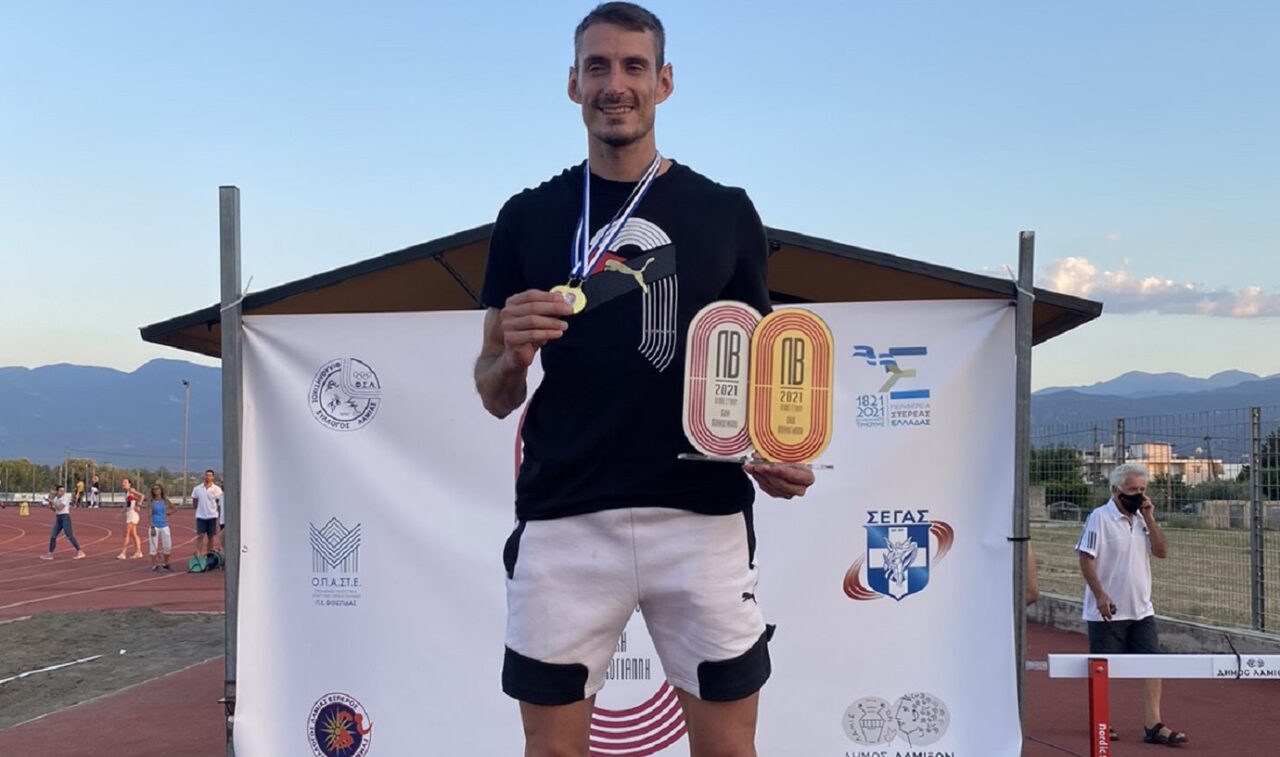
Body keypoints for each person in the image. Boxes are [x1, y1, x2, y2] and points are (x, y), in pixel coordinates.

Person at [473, 4, 814, 754]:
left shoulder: (726, 212)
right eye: (597, 66)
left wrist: (773, 450)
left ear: (664, 82)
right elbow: (494, 392)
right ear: (573, 84)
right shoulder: (527, 216)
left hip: (701, 515)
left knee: (729, 749)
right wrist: (512, 356)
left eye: (634, 66)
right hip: (566, 516)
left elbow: (758, 367)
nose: (615, 84)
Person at [1076, 463, 1187, 746]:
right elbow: (1085, 558)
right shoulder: (1099, 518)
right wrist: (1100, 595)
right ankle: (1101, 720)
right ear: (1116, 490)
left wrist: (1149, 518)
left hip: (1141, 609)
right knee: (1103, 668)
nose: (1138, 495)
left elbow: (1161, 552)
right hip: (1108, 611)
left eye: (1142, 490)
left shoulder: (1141, 519)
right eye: (1132, 490)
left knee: (1151, 664)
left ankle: (1153, 725)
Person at [41, 484, 86, 560]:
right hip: (59, 518)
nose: (62, 492)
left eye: (63, 491)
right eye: (61, 491)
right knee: (53, 536)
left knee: (69, 535)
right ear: (57, 491)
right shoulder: (56, 498)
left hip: (65, 518)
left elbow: (60, 507)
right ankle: (50, 554)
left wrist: (51, 501)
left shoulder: (65, 498)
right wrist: (50, 506)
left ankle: (80, 551)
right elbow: (56, 510)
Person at [191, 469, 222, 558]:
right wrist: (197, 509)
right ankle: (198, 555)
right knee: (200, 536)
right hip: (201, 516)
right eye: (206, 475)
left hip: (212, 516)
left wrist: (218, 514)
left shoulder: (216, 489)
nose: (207, 477)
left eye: (210, 475)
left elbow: (219, 502)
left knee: (211, 536)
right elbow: (194, 501)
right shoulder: (197, 489)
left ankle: (209, 555)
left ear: (213, 477)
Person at [148, 482, 177, 571]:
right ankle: (154, 565)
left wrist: (168, 513)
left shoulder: (165, 500)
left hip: (164, 525)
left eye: (158, 488)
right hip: (155, 526)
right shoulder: (151, 502)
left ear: (161, 490)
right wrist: (152, 527)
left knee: (168, 546)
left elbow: (174, 508)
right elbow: (149, 515)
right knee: (153, 547)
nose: (156, 490)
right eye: (154, 489)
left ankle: (165, 563)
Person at [116, 478, 145, 559]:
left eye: (125, 482)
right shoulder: (127, 493)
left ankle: (123, 553)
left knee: (127, 534)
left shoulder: (131, 490)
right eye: (123, 482)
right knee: (134, 534)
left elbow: (142, 496)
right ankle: (138, 552)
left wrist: (139, 505)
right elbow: (127, 504)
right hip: (129, 514)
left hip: (132, 514)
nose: (123, 483)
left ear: (130, 484)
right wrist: (120, 513)